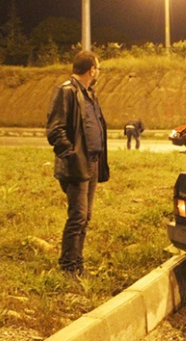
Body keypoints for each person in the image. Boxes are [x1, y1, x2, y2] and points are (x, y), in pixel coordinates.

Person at [46, 50, 109, 280]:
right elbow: (55, 130)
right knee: (78, 216)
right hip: (77, 165)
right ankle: (68, 266)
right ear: (91, 70)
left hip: (92, 164)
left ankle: (77, 263)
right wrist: (72, 156)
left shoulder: (89, 94)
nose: (98, 72)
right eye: (98, 68)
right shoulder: (66, 91)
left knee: (86, 216)